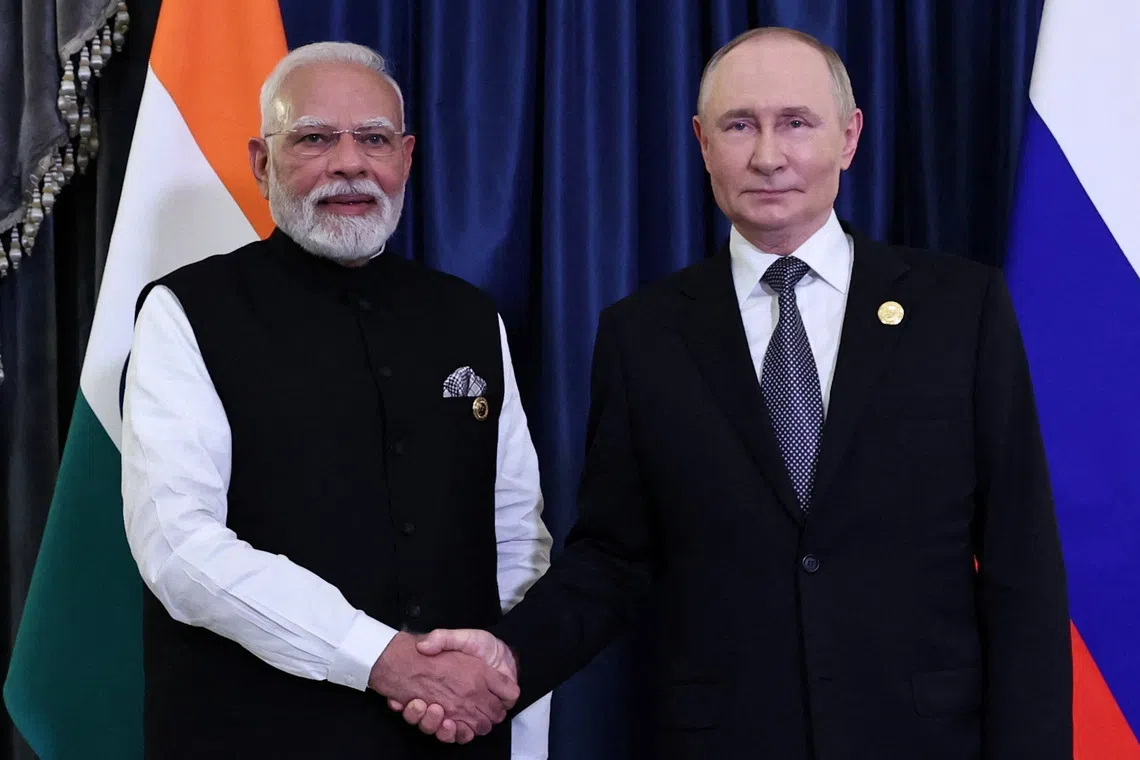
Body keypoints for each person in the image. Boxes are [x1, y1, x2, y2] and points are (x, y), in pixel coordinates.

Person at [394, 27, 1073, 760]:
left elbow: (1020, 566)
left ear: (849, 138)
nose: (768, 155)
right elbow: (613, 559)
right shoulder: (643, 334)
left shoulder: (961, 309)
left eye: (796, 123)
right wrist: (510, 657)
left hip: (924, 737)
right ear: (702, 142)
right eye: (739, 125)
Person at [120, 41, 552, 759]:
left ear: (406, 158)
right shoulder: (185, 311)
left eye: (373, 139)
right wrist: (380, 656)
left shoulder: (469, 317)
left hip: (457, 739)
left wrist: (502, 698)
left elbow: (515, 538)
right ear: (262, 162)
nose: (349, 163)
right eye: (315, 138)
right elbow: (179, 548)